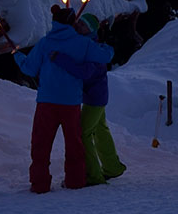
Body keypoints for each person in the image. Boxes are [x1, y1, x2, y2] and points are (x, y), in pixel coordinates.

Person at [14, 2, 114, 193]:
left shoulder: (45, 43)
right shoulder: (82, 43)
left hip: (47, 102)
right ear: (72, 23)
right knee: (74, 144)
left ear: (54, 22)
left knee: (41, 145)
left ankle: (40, 184)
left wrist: (18, 56)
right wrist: (104, 45)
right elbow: (106, 56)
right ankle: (75, 181)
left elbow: (29, 68)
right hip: (71, 103)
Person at [51, 11, 125, 185]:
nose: (79, 26)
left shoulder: (92, 49)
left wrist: (60, 59)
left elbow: (85, 72)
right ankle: (112, 167)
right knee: (100, 131)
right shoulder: (86, 44)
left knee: (83, 133)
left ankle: (93, 175)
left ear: (91, 30)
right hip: (95, 96)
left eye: (83, 25)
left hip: (94, 98)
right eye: (79, 23)